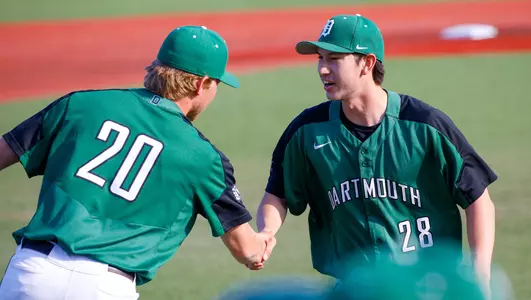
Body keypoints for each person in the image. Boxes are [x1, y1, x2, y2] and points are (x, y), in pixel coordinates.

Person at [0, 25, 271, 299]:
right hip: (105, 288)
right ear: (202, 84)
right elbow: (246, 249)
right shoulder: (204, 157)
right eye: (217, 84)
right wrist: (261, 245)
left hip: (32, 273)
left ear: (157, 66)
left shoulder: (79, 104)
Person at [255, 14, 497, 298]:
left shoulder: (424, 125)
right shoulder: (307, 131)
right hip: (353, 289)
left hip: (424, 289)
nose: (322, 69)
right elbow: (277, 193)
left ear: (367, 63)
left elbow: (478, 199)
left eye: (334, 58)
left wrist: (478, 277)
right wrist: (267, 231)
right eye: (320, 58)